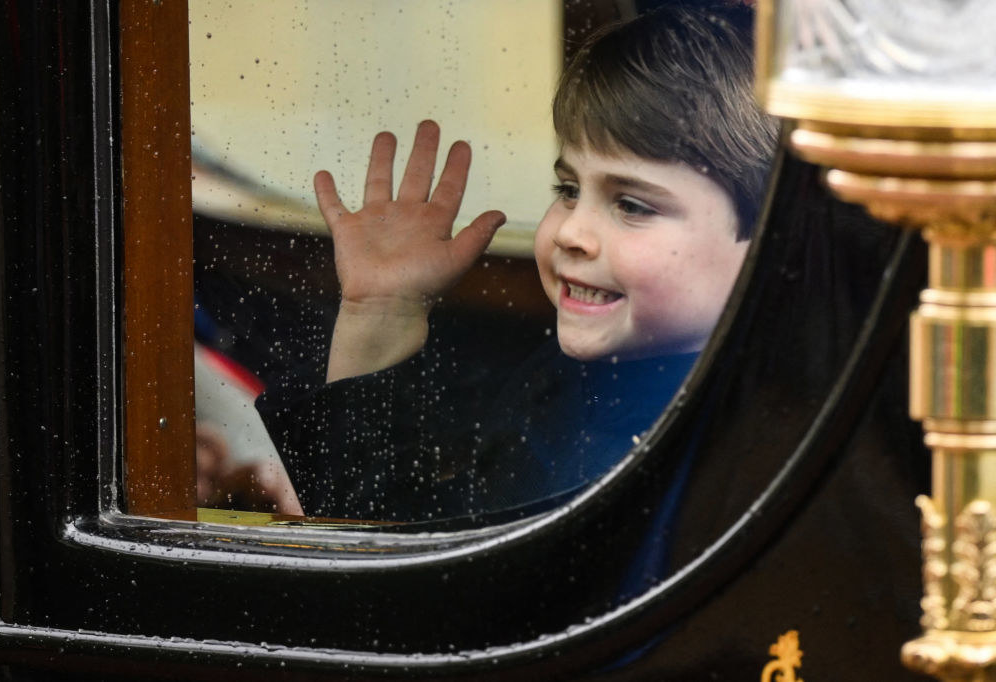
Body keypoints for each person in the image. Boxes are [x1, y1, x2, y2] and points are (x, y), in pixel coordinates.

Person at [255, 3, 777, 524]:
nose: (570, 232)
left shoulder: (747, 452)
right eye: (568, 190)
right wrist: (381, 309)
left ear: (768, 241)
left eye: (632, 206)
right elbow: (403, 537)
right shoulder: (567, 385)